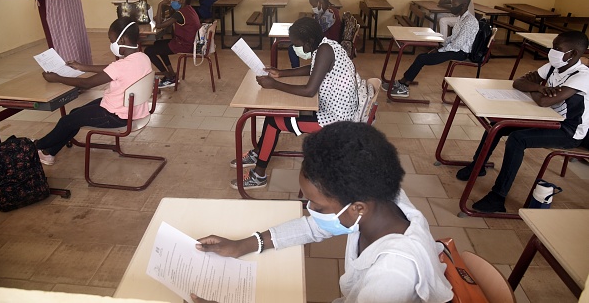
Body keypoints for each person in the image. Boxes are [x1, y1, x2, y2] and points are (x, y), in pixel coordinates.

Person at [192, 122, 454, 303]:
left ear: (357, 207)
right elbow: (315, 227)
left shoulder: (393, 273)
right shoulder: (380, 200)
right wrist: (245, 244)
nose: (311, 211)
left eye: (317, 206)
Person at [456, 31, 589, 213]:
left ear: (573, 54)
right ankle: (477, 166)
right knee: (498, 124)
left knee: (518, 139)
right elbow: (518, 82)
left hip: (569, 130)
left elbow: (544, 101)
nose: (552, 52)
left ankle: (498, 197)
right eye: (553, 47)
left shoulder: (582, 76)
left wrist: (538, 92)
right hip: (547, 117)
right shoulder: (553, 67)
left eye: (558, 49)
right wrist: (540, 88)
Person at [230, 17, 358, 189]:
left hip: (334, 121)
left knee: (272, 122)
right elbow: (313, 68)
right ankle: (259, 152)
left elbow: (309, 91)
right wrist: (282, 73)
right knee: (274, 115)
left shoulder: (325, 51)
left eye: (296, 44)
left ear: (309, 41)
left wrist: (274, 84)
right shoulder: (326, 46)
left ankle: (259, 175)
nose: (294, 47)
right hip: (333, 112)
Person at [35, 18, 152, 166]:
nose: (111, 44)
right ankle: (48, 153)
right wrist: (83, 67)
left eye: (112, 40)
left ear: (122, 39)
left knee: (67, 121)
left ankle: (37, 146)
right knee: (74, 115)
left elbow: (85, 84)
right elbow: (113, 67)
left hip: (117, 116)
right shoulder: (142, 57)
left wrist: (57, 78)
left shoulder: (122, 65)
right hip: (130, 110)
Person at [387, 0, 478, 97]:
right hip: (453, 49)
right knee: (423, 57)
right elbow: (453, 38)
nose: (452, 7)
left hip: (460, 53)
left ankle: (404, 86)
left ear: (464, 4)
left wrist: (440, 50)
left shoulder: (470, 21)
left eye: (454, 5)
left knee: (422, 58)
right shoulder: (460, 18)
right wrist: (440, 44)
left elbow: (457, 45)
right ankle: (402, 81)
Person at [144, 0, 201, 88]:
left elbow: (158, 26)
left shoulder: (180, 14)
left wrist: (160, 5)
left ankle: (169, 77)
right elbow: (168, 20)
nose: (172, 0)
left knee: (149, 51)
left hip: (184, 45)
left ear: (182, 0)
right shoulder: (189, 9)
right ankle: (171, 74)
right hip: (190, 42)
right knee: (158, 44)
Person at [288, 0, 342, 68]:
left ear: (320, 2)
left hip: (327, 45)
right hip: (323, 41)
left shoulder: (330, 15)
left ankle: (296, 69)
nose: (313, 8)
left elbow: (314, 31)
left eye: (314, 5)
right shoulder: (326, 11)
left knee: (292, 48)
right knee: (295, 44)